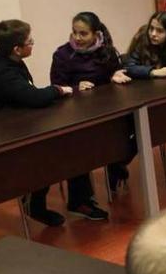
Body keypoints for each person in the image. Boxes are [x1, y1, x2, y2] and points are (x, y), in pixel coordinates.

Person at [0, 19, 74, 226]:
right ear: (17, 49)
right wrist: (59, 89)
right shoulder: (3, 72)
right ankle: (34, 205)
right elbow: (35, 98)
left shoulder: (0, 56)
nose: (32, 43)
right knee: (46, 152)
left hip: (13, 123)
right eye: (29, 41)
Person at [51, 11, 134, 203]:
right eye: (74, 33)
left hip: (108, 109)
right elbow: (56, 85)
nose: (77, 38)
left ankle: (117, 164)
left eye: (83, 34)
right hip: (77, 113)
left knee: (133, 127)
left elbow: (113, 73)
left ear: (96, 34)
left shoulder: (106, 51)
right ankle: (81, 200)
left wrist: (114, 76)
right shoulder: (62, 54)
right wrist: (74, 87)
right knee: (80, 145)